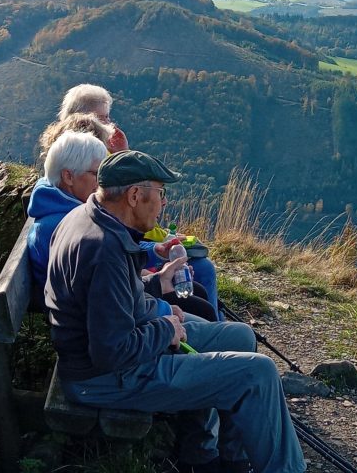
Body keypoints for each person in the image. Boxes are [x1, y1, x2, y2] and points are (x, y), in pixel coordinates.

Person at [46, 150, 305, 473]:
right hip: (105, 379)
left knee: (241, 336)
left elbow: (107, 300)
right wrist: (165, 330)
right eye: (160, 193)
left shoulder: (89, 216)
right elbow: (111, 353)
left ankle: (218, 460)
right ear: (135, 195)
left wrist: (156, 286)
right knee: (258, 373)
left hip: (114, 353)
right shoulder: (104, 249)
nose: (164, 202)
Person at [27, 132, 216, 321]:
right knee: (205, 310)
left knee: (196, 293)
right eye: (96, 174)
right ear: (68, 176)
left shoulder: (71, 210)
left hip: (114, 309)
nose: (102, 183)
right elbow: (103, 300)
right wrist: (163, 312)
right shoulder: (65, 224)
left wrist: (155, 252)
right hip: (103, 319)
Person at [57, 83, 128, 153]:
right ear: (80, 121)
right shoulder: (85, 153)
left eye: (107, 117)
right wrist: (121, 155)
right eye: (99, 118)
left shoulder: (59, 146)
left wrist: (120, 152)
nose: (107, 123)